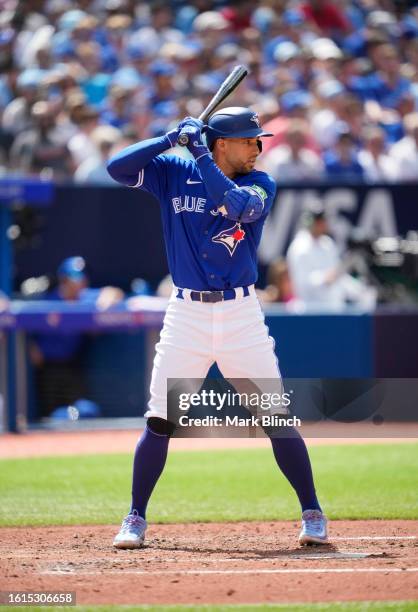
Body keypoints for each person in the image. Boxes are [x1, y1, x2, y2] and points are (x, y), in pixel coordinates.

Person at [107, 107, 328, 549]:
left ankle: (312, 512)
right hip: (186, 314)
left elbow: (238, 208)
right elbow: (118, 168)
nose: (258, 148)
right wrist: (170, 138)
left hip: (241, 315)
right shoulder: (173, 170)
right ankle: (135, 516)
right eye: (249, 140)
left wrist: (200, 155)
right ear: (223, 142)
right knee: (160, 419)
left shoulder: (259, 182)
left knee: (276, 417)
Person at [29, 256, 124, 418]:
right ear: (63, 279)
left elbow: (114, 292)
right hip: (47, 369)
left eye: (84, 277)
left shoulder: (84, 298)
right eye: (77, 278)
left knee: (84, 411)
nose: (82, 282)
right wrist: (31, 347)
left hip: (72, 366)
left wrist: (106, 300)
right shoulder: (49, 299)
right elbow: (26, 330)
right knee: (48, 417)